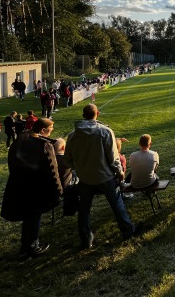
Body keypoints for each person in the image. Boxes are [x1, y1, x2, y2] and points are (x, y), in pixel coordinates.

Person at [65, 104, 138, 249]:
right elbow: (113, 157)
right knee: (117, 204)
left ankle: (86, 240)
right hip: (105, 177)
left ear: (83, 115)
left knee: (84, 210)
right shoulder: (105, 132)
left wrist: (80, 168)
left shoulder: (73, 135)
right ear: (97, 113)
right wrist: (119, 172)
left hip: (85, 178)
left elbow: (67, 159)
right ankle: (128, 230)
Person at [0, 118, 63, 260]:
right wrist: (58, 189)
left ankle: (26, 246)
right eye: (50, 130)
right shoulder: (44, 145)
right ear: (42, 130)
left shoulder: (20, 140)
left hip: (18, 184)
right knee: (33, 216)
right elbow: (52, 170)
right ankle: (31, 248)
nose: (51, 132)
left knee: (29, 217)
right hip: (36, 187)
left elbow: (11, 161)